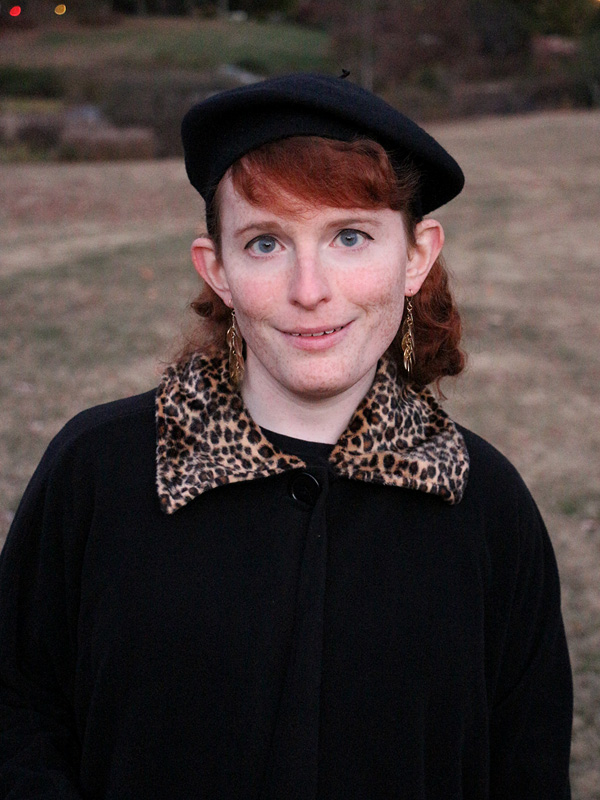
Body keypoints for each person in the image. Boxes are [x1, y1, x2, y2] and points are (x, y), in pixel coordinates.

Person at [0, 73, 572, 799]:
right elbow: (16, 714)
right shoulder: (97, 472)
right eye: (266, 242)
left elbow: (528, 767)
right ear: (219, 270)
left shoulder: (487, 506)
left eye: (350, 237)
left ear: (416, 256)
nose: (310, 289)